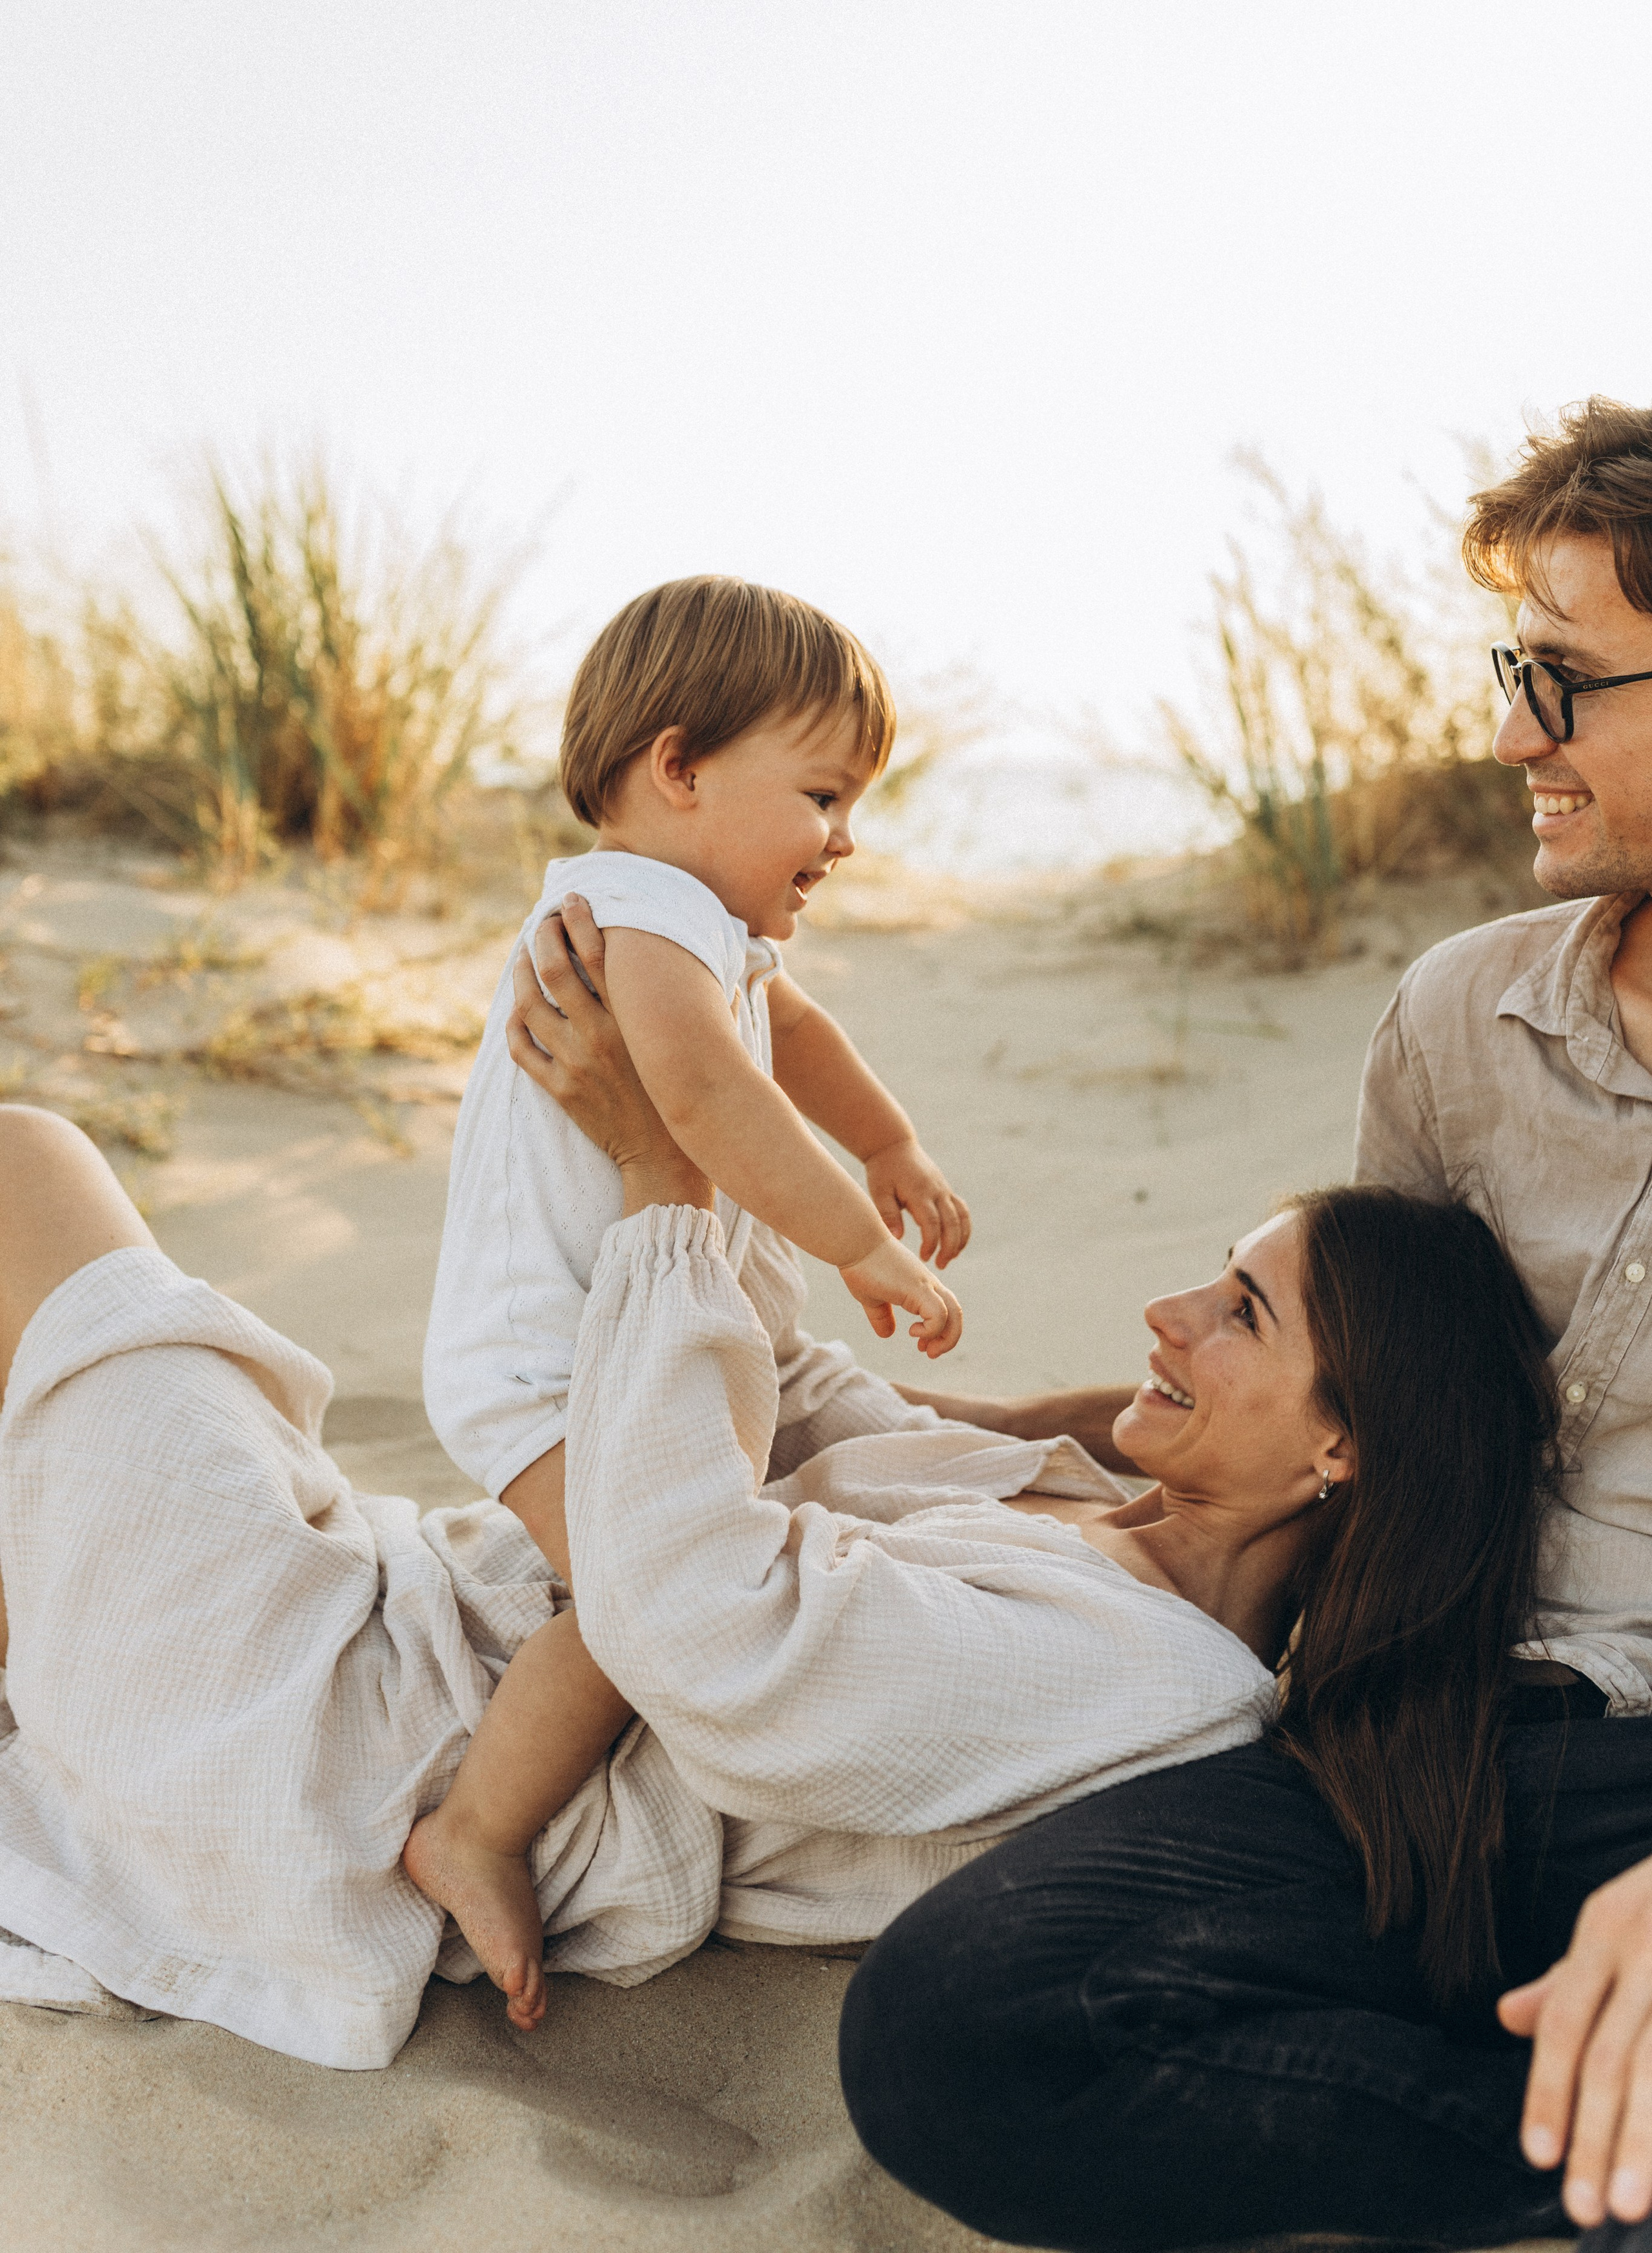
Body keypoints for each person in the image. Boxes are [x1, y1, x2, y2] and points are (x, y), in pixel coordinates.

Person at [0, 918, 1548, 2088]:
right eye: (1212, 1275)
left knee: (29, 1170)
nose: (1164, 1310)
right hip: (398, 1603)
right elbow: (792, 1390)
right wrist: (712, 1080)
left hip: (337, 1751)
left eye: (1240, 1314)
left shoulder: (1139, 1680)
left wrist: (660, 1178)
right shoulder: (1087, 1505)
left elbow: (691, 1615)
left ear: (1345, 1452)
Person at [839, 396, 1652, 2253]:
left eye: (1569, 677)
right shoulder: (1462, 1024)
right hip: (1426, 1740)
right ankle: (1568, 2187)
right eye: (1511, 665)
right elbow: (1337, 1403)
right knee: (955, 2029)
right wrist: (958, 1437)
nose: (1511, 727)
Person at [408, 574, 972, 2022]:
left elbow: (792, 1027)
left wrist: (891, 1139)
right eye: (824, 796)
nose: (843, 839)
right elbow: (706, 1091)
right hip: (543, 1367)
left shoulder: (703, 924)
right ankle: (471, 1833)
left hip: (624, 1354)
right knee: (628, 1598)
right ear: (678, 768)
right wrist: (860, 1241)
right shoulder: (628, 908)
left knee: (685, 1546)